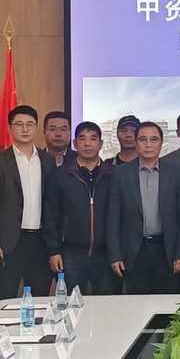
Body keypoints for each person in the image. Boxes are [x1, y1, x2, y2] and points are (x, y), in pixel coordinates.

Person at [107, 121, 180, 294]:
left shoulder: (176, 174)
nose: (148, 144)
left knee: (166, 304)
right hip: (133, 251)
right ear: (136, 143)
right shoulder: (120, 174)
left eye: (154, 139)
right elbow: (113, 218)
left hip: (166, 250)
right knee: (137, 304)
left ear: (161, 142)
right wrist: (115, 255)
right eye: (143, 139)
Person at [0, 105, 54, 298]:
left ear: (37, 128)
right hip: (9, 243)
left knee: (40, 298)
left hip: (40, 241)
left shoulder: (48, 160)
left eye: (30, 124)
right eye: (19, 124)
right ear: (10, 128)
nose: (25, 129)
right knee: (5, 297)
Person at [42, 121, 119, 296]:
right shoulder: (60, 175)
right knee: (72, 305)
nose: (88, 144)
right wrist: (53, 251)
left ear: (101, 143)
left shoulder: (114, 174)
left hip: (106, 254)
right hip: (71, 254)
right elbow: (51, 216)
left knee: (107, 304)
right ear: (75, 144)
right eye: (82, 139)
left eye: (93, 138)